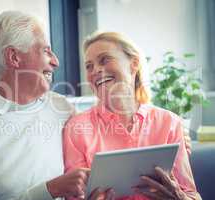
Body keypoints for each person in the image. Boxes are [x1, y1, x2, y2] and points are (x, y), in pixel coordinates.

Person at [0, 11, 91, 200]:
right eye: (46, 50)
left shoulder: (61, 107)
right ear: (13, 57)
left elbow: (92, 162)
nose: (56, 61)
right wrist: (50, 190)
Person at [63, 32, 201, 200]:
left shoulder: (169, 123)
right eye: (89, 66)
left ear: (134, 64)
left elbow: (192, 195)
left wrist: (178, 197)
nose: (96, 70)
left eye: (105, 59)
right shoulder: (76, 128)